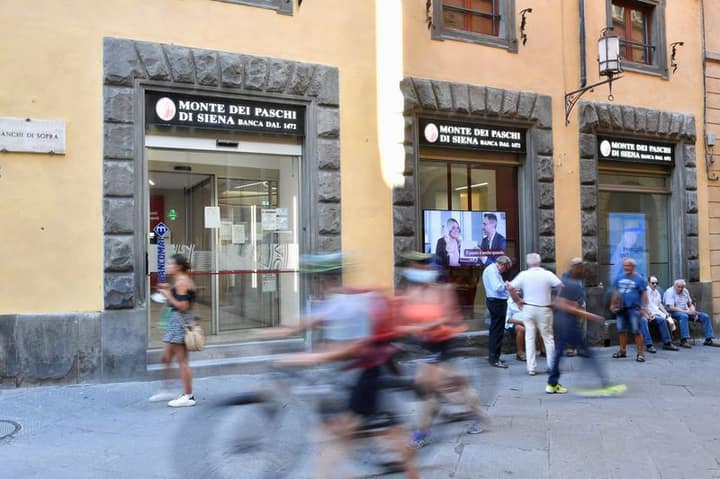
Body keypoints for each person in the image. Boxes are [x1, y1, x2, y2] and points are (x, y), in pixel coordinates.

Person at [397, 255, 488, 449]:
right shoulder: (414, 290)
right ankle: (476, 414)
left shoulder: (443, 290)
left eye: (422, 268)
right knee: (453, 384)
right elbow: (405, 315)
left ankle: (422, 431)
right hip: (425, 344)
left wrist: (420, 327)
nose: (418, 272)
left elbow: (446, 318)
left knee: (427, 388)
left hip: (442, 342)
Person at [546, 258, 626, 396]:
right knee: (589, 353)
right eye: (582, 267)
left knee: (559, 353)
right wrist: (593, 316)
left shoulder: (563, 281)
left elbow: (555, 302)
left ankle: (552, 384)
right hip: (569, 325)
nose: (585, 270)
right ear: (577, 268)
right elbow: (571, 308)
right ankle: (604, 383)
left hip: (558, 323)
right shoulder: (573, 285)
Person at [150, 254, 197, 407]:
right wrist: (169, 290)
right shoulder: (181, 280)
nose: (168, 267)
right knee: (166, 358)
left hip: (179, 323)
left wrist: (167, 294)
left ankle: (188, 396)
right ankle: (167, 390)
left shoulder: (182, 281)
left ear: (178, 267)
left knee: (182, 361)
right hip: (176, 322)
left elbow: (183, 306)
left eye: (170, 264)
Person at [508, 253, 561, 376]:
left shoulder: (524, 274)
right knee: (548, 338)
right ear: (539, 262)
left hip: (529, 308)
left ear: (528, 263)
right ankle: (552, 366)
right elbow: (560, 285)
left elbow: (510, 287)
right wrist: (555, 300)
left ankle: (531, 368)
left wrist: (517, 300)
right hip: (544, 308)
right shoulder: (547, 274)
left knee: (530, 338)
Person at [610, 258, 648, 362]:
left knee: (636, 330)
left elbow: (644, 294)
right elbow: (616, 292)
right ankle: (622, 351)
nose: (626, 267)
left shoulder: (639, 279)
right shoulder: (619, 277)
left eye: (628, 266)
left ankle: (640, 353)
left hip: (634, 308)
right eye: (625, 265)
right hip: (621, 308)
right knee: (621, 330)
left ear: (633, 267)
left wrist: (643, 307)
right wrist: (612, 304)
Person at [663, 279, 719, 348]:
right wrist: (687, 312)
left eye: (682, 287)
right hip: (673, 312)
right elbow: (671, 307)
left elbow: (690, 304)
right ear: (674, 286)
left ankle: (708, 339)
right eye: (678, 287)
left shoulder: (685, 291)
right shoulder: (669, 292)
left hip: (686, 311)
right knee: (684, 316)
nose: (680, 289)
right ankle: (684, 340)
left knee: (705, 316)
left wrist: (693, 312)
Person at [482, 255, 513, 368]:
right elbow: (497, 287)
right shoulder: (492, 271)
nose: (505, 270)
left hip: (496, 302)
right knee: (497, 331)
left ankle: (494, 356)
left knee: (496, 330)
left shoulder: (493, 270)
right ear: (502, 264)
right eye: (506, 268)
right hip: (496, 302)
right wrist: (507, 284)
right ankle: (494, 358)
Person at [641, 276, 679, 352]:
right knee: (644, 321)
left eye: (656, 283)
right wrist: (648, 314)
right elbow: (642, 305)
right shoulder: (645, 292)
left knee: (663, 320)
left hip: (655, 313)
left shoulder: (657, 292)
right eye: (653, 283)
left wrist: (666, 313)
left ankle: (667, 343)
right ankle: (649, 345)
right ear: (648, 283)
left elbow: (659, 304)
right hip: (645, 313)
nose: (655, 285)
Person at [505, 293, 546, 362]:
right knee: (521, 329)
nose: (518, 291)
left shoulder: (527, 300)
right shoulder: (508, 302)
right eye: (516, 290)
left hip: (528, 322)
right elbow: (507, 319)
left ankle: (543, 350)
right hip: (514, 323)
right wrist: (521, 322)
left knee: (540, 327)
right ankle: (519, 353)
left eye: (520, 289)